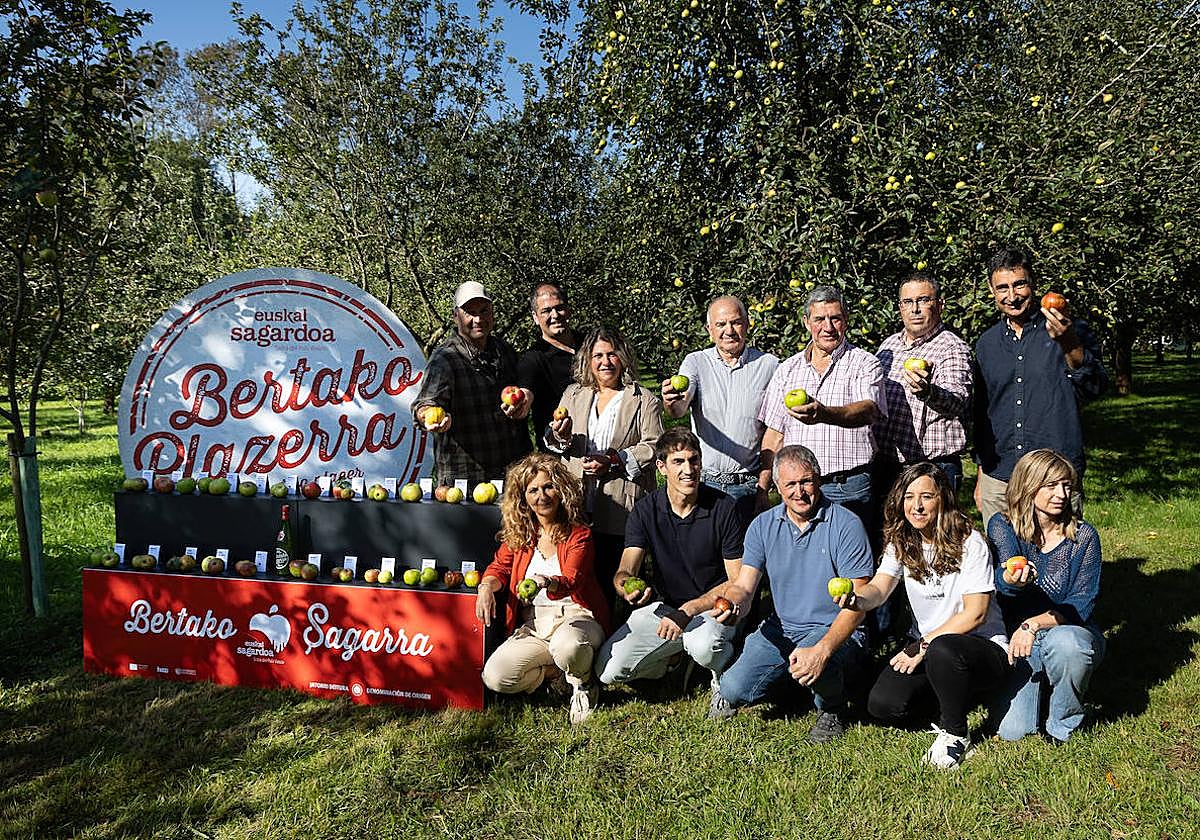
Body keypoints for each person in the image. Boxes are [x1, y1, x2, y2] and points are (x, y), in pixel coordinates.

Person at [833, 463, 1010, 769]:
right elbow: (879, 587)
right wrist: (857, 601)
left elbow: (976, 614)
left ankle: (955, 734)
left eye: (926, 496)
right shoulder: (902, 540)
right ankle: (955, 698)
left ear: (942, 498)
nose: (916, 505)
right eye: (909, 496)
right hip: (930, 649)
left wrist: (923, 645)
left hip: (980, 647)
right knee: (882, 705)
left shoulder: (970, 543)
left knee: (944, 648)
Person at [713, 445, 875, 742]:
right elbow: (744, 586)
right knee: (733, 689)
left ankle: (832, 707)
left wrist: (823, 649)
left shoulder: (846, 525)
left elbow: (860, 603)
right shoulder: (762, 525)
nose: (799, 492)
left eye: (806, 481)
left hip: (836, 629)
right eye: (790, 484)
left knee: (814, 656)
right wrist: (735, 604)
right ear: (777, 487)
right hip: (784, 627)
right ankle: (800, 680)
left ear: (819, 479)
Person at [594, 429, 744, 717]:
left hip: (713, 607)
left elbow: (737, 580)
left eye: (694, 460)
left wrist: (690, 610)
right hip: (666, 609)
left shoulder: (724, 507)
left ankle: (721, 679)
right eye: (678, 462)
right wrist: (625, 586)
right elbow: (625, 569)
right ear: (661, 467)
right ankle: (674, 660)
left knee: (703, 645)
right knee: (608, 671)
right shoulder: (646, 510)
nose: (689, 470)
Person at [973, 246, 1108, 526]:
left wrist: (1068, 342)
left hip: (1054, 475)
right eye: (1002, 288)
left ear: (1032, 284)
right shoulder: (986, 344)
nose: (1012, 296)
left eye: (1019, 284)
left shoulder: (1071, 330)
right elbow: (983, 412)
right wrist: (980, 477)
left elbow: (1094, 387)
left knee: (1060, 559)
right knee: (1005, 564)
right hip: (999, 476)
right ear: (992, 290)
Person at [475, 453, 611, 724]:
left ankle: (584, 683)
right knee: (496, 676)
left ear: (561, 490)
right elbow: (498, 569)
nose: (542, 496)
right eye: (533, 490)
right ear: (522, 497)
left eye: (549, 486)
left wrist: (545, 581)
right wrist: (486, 587)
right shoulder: (521, 535)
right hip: (536, 624)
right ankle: (556, 673)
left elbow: (572, 579)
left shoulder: (578, 534)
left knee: (568, 645)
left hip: (577, 616)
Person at [988, 448, 1104, 744]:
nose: (1061, 494)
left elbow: (1081, 605)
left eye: (1066, 485)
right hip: (1020, 641)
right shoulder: (1003, 526)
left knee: (1069, 646)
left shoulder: (1084, 537)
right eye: (1050, 485)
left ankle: (1063, 723)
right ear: (1028, 487)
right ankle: (1046, 687)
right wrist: (1012, 579)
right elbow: (1005, 578)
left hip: (1069, 631)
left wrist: (1033, 624)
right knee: (1012, 731)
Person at [545, 325, 663, 600]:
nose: (605, 362)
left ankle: (626, 636)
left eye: (611, 355)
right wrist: (559, 435)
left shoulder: (643, 399)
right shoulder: (574, 394)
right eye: (598, 356)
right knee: (580, 581)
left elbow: (655, 445)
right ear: (588, 360)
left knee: (621, 582)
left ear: (622, 358)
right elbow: (556, 437)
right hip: (577, 502)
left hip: (621, 506)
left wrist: (613, 460)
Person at [758, 286, 885, 527]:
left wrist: (824, 414)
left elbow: (869, 409)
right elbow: (774, 434)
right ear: (806, 322)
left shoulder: (864, 363)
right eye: (819, 319)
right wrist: (763, 487)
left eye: (835, 318)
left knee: (854, 560)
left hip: (849, 487)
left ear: (845, 321)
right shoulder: (788, 370)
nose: (828, 327)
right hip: (799, 491)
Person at [662, 295, 779, 526]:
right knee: (705, 558)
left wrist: (763, 486)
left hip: (748, 485)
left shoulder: (770, 365)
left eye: (736, 322)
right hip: (704, 483)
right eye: (721, 324)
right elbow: (679, 408)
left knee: (746, 559)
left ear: (747, 325)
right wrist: (670, 401)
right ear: (709, 330)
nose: (729, 330)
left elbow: (776, 430)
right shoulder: (695, 362)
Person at [412, 281, 533, 484]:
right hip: (466, 479)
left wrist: (524, 399)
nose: (478, 319)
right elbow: (425, 403)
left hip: (512, 474)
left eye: (484, 311)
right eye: (470, 312)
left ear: (492, 313)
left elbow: (522, 390)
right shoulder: (445, 359)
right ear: (456, 316)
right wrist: (430, 418)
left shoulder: (505, 351)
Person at [874, 271, 972, 493]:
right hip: (888, 466)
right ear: (900, 308)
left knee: (934, 528)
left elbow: (957, 400)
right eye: (908, 302)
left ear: (940, 305)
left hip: (933, 469)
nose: (915, 309)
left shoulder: (952, 348)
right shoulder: (888, 347)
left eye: (923, 300)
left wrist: (928, 392)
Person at [519, 281, 581, 451]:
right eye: (546, 311)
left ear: (568, 309)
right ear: (535, 317)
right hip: (560, 455)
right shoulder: (533, 359)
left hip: (599, 448)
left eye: (559, 307)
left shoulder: (590, 345)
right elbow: (526, 393)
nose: (555, 315)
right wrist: (519, 405)